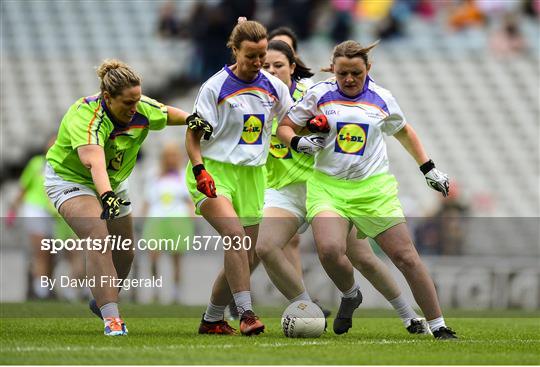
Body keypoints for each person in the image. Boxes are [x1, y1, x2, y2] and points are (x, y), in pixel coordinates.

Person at [277, 40, 457, 339]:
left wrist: (429, 168)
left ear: (368, 69)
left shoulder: (382, 98)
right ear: (333, 69)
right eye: (343, 73)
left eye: (356, 73)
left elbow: (404, 131)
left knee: (406, 257)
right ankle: (351, 294)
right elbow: (285, 126)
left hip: (373, 189)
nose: (348, 79)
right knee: (330, 250)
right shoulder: (319, 94)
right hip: (328, 187)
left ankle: (438, 326)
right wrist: (299, 142)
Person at [44, 59, 210, 336]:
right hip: (72, 180)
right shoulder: (85, 116)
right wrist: (106, 195)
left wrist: (191, 119)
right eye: (128, 103)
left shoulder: (139, 106)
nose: (135, 109)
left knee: (125, 252)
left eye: (137, 101)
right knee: (98, 236)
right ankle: (113, 319)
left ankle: (102, 300)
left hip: (114, 182)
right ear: (107, 97)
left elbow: (167, 114)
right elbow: (93, 161)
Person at [185, 19, 293, 336]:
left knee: (245, 253)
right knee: (234, 236)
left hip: (253, 175)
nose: (258, 63)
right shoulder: (214, 88)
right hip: (214, 172)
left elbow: (287, 125)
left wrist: (306, 129)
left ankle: (212, 319)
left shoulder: (274, 87)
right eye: (251, 56)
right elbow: (192, 138)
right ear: (235, 50)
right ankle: (246, 313)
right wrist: (198, 169)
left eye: (262, 55)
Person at [141, 143, 194, 303]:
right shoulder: (154, 176)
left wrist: (192, 215)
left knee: (176, 258)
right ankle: (156, 290)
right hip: (156, 219)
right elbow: (147, 200)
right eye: (168, 156)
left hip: (178, 220)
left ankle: (176, 293)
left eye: (174, 156)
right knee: (153, 256)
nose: (171, 159)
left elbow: (189, 201)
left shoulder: (183, 176)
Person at [7, 136, 57, 299]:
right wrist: (12, 210)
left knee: (51, 253)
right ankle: (41, 291)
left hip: (53, 213)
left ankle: (45, 287)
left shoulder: (62, 165)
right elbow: (23, 188)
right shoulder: (36, 163)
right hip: (35, 209)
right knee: (41, 251)